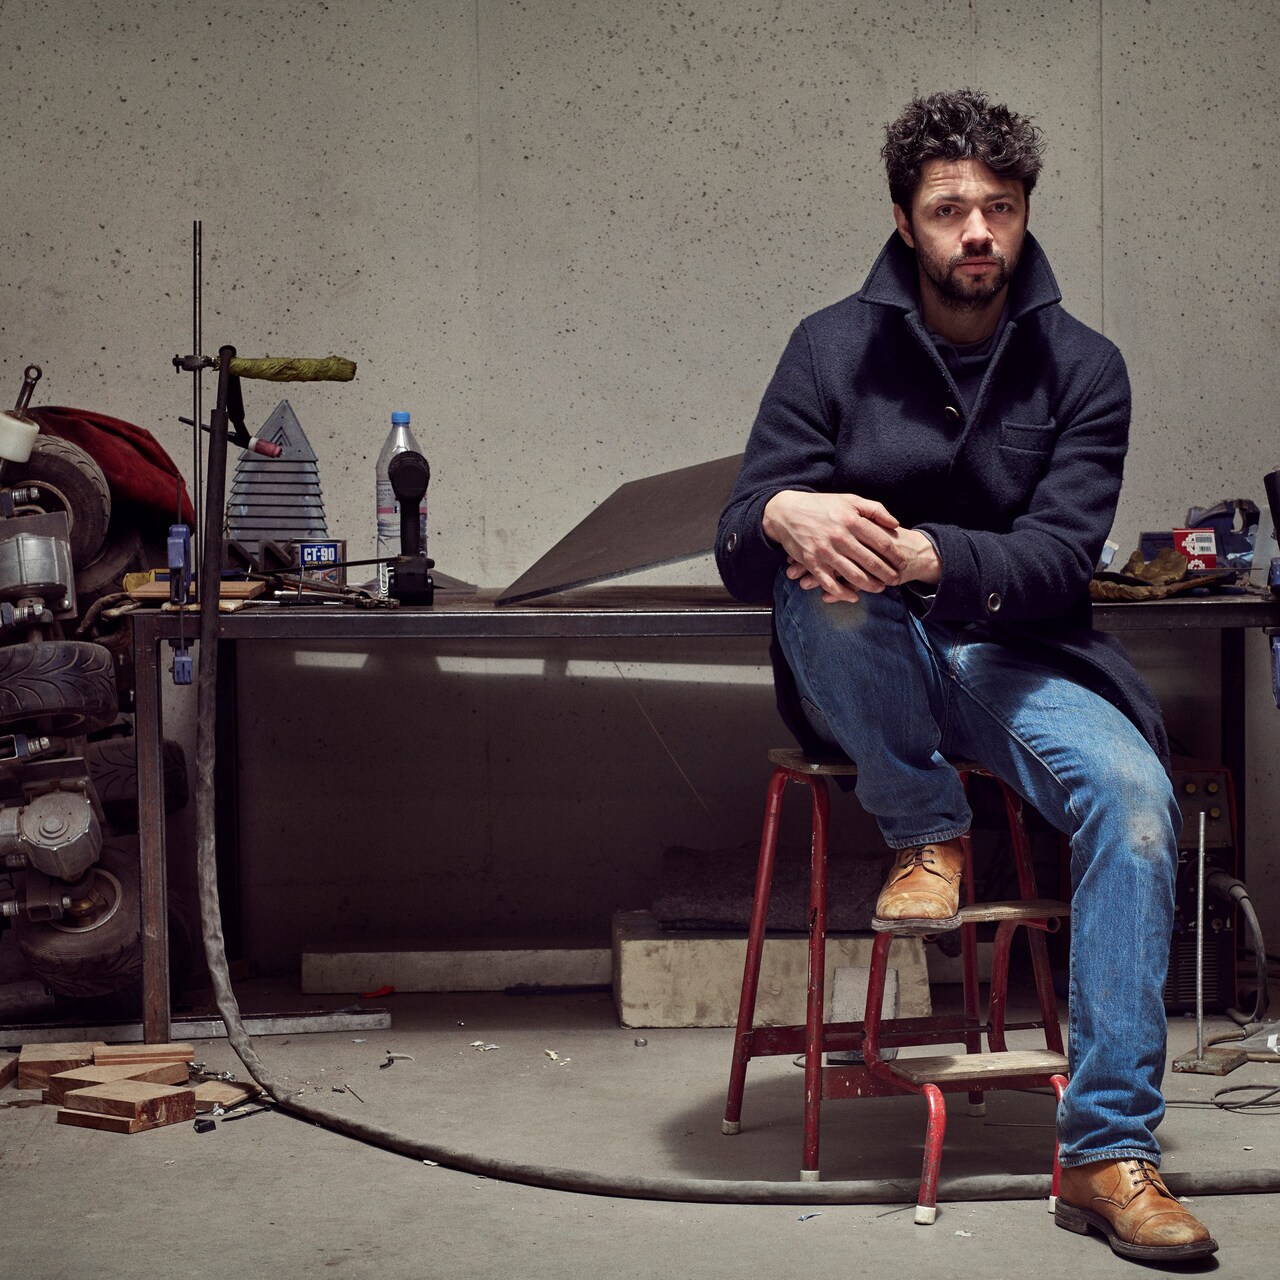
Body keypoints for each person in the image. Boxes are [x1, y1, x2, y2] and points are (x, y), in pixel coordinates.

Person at [716, 88, 1217, 1264]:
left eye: (998, 206)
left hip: (1018, 654)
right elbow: (741, 544)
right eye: (950, 210)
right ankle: (927, 828)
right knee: (822, 576)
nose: (977, 231)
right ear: (905, 223)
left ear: (1023, 213)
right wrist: (782, 507)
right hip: (860, 654)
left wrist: (933, 554)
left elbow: (1056, 557)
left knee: (1136, 807)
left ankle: (1102, 1151)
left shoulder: (1084, 366)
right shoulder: (826, 346)